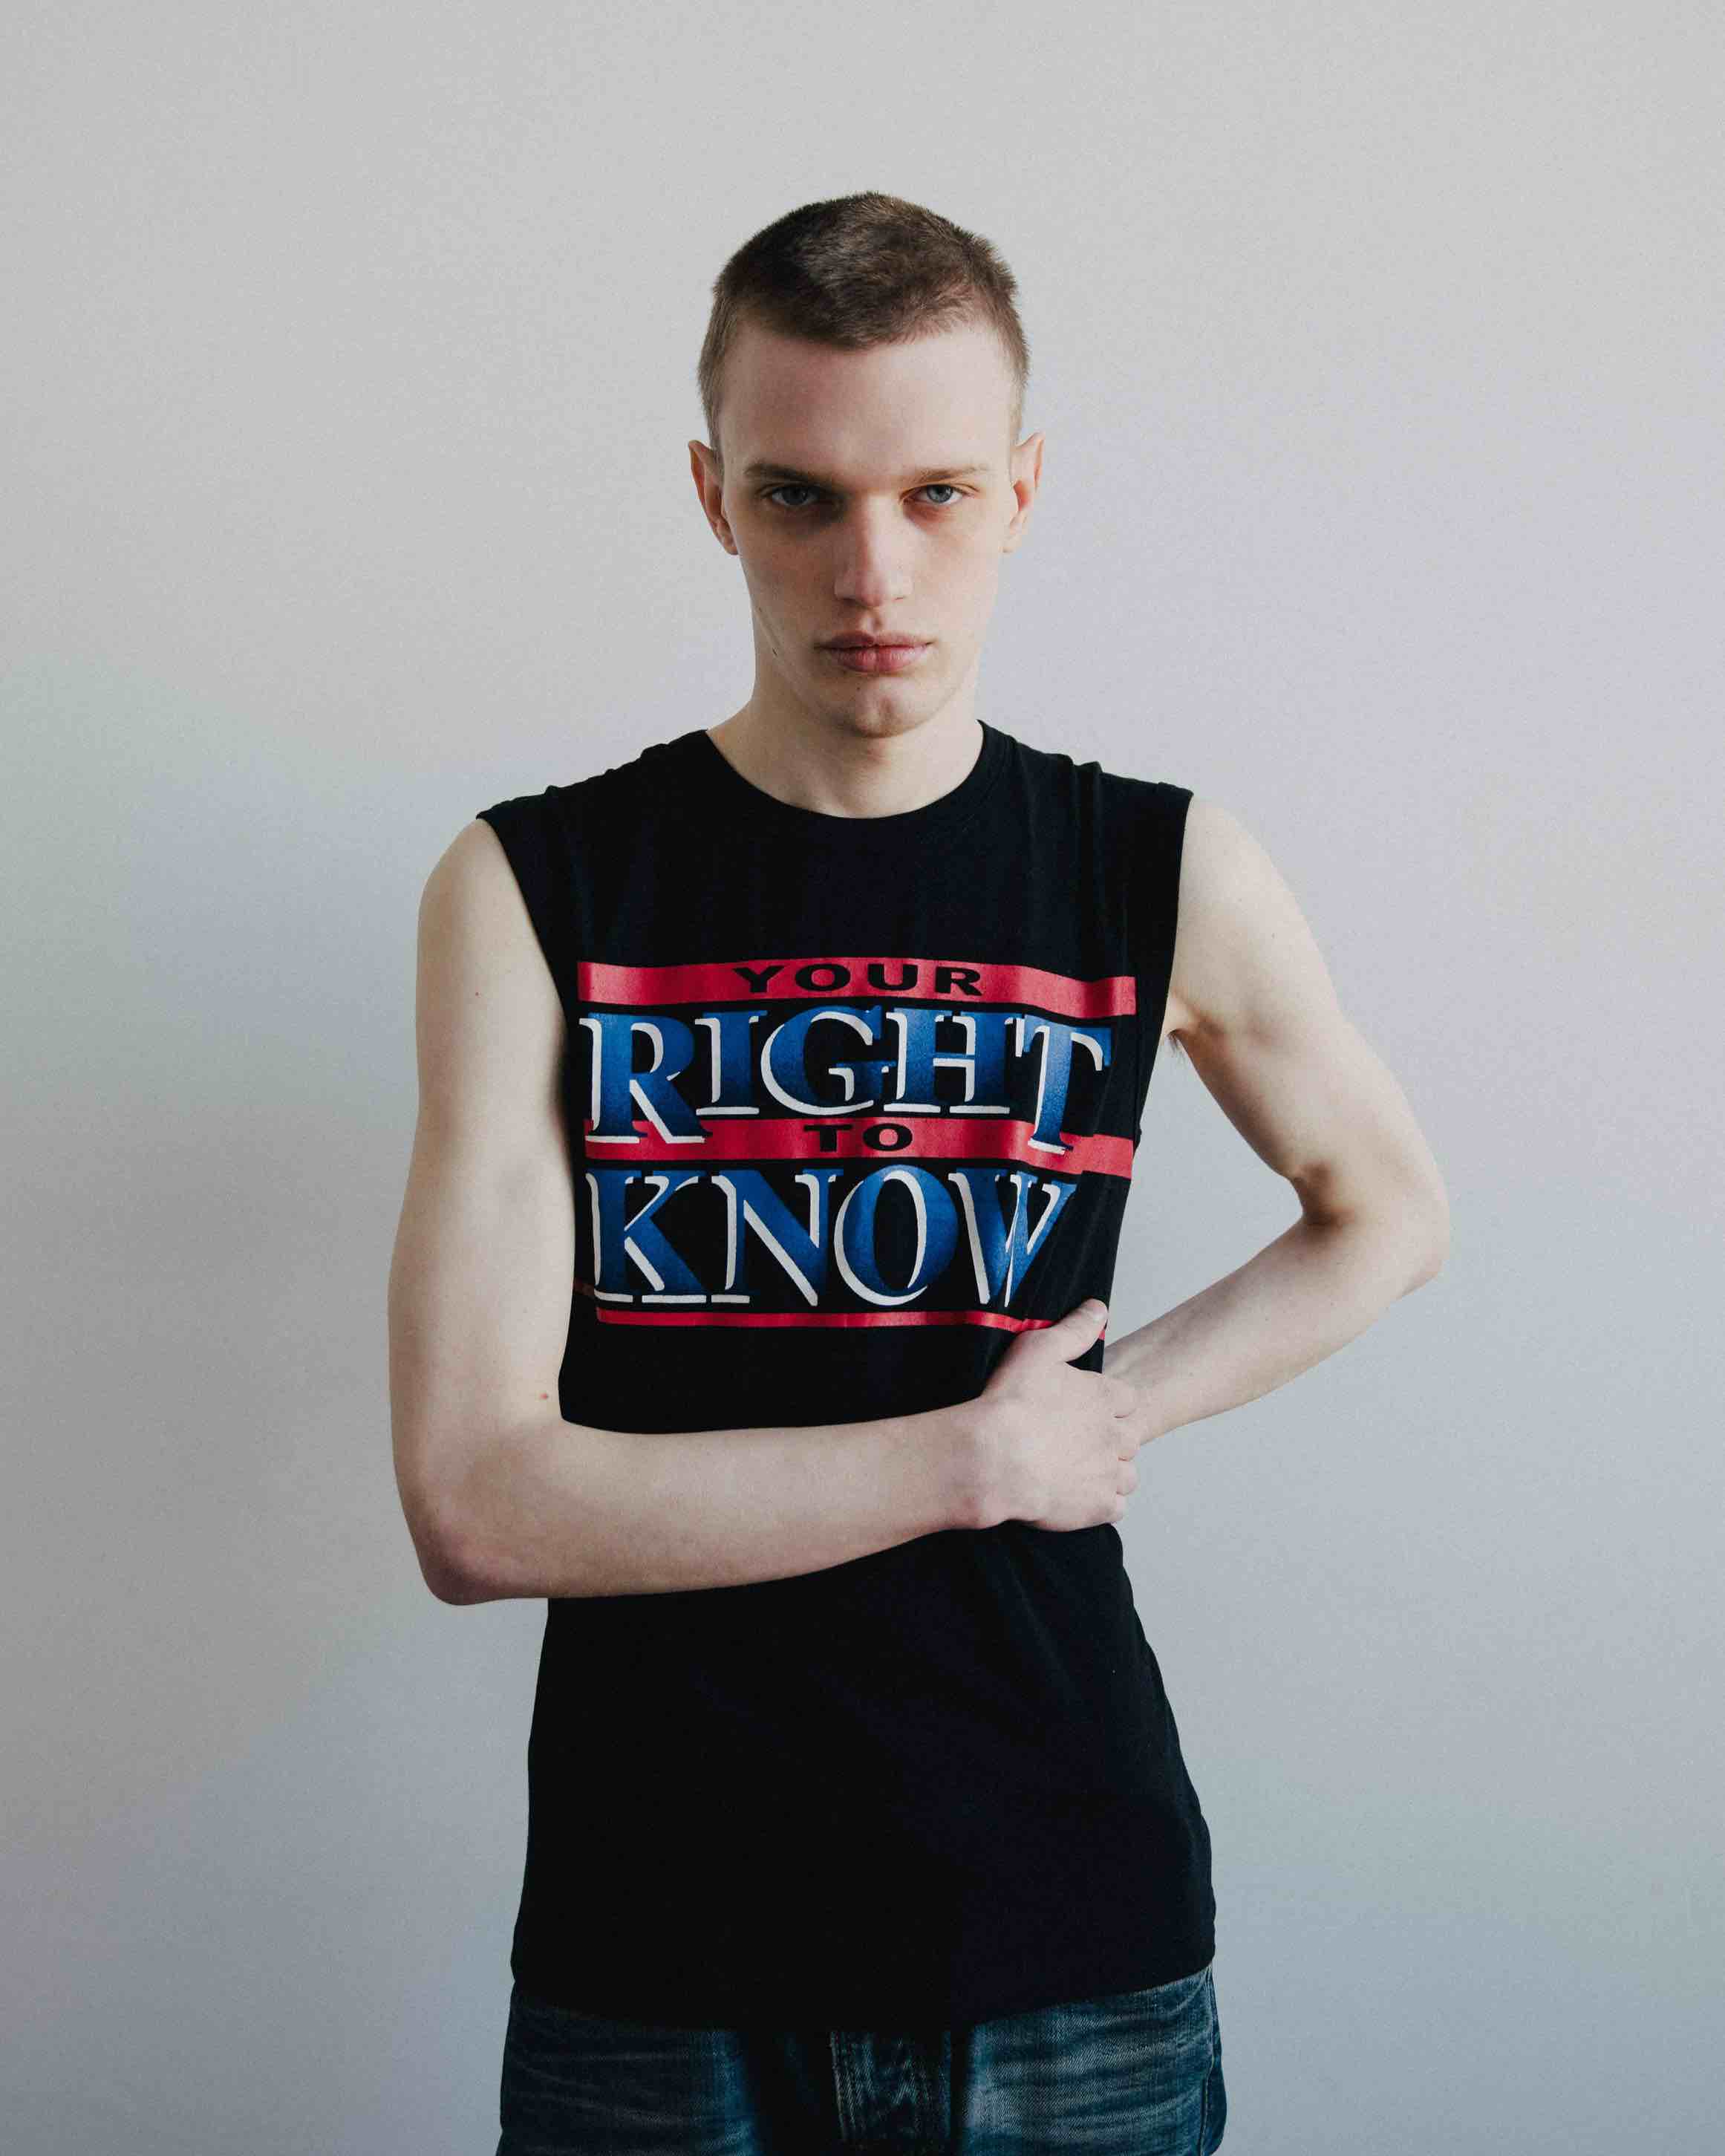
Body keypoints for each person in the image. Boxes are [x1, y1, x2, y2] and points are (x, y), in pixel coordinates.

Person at [387, 190, 1448, 2156]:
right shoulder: (539, 888)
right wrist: (975, 1463)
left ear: (1021, 490)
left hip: (1062, 1924)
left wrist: (1110, 1416)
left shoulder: (1151, 868)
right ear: (711, 496)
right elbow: (475, 1502)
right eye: (799, 497)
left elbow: (1386, 1215)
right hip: (658, 1946)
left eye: (937, 494)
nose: (871, 570)